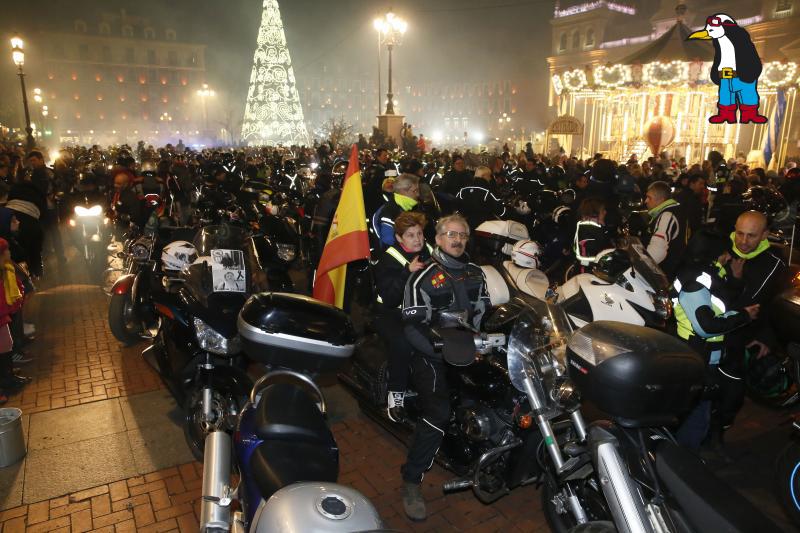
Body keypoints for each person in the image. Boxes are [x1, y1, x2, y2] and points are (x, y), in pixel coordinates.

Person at [399, 214, 490, 521]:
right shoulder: (422, 277)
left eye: (463, 235)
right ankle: (411, 480)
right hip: (432, 357)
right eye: (451, 234)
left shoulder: (476, 274)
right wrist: (442, 353)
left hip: (470, 352)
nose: (457, 239)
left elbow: (483, 315)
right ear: (437, 239)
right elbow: (413, 328)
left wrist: (484, 343)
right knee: (437, 414)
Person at [709, 210, 787, 457]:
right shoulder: (720, 249)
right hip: (706, 334)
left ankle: (716, 437)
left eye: (751, 236)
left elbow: (760, 304)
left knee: (731, 395)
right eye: (739, 233)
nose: (743, 241)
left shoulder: (773, 263)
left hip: (740, 339)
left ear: (765, 235)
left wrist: (767, 337)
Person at [671, 232, 758, 450]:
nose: (728, 257)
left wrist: (736, 280)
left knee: (699, 410)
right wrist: (744, 316)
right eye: (725, 253)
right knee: (693, 414)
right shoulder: (694, 282)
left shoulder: (707, 273)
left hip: (706, 356)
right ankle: (680, 461)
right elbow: (706, 326)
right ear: (712, 254)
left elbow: (721, 299)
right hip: (697, 356)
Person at [373, 212, 432, 422]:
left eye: (420, 233)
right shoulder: (389, 259)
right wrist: (407, 272)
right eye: (410, 235)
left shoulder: (430, 251)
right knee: (403, 343)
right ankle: (395, 395)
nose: (417, 239)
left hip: (422, 310)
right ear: (399, 238)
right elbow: (389, 298)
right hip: (391, 314)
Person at [0, 238, 30, 403]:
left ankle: (9, 377)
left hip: (3, 316)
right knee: (3, 349)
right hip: (2, 315)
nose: (9, 253)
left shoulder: (6, 269)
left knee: (6, 347)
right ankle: (6, 381)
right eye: (6, 251)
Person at [644, 181, 688, 279]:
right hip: (677, 269)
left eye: (649, 197)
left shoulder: (667, 216)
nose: (645, 201)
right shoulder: (676, 210)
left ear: (660, 200)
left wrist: (641, 266)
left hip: (666, 273)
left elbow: (656, 252)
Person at [372, 174, 421, 250]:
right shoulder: (389, 212)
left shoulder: (410, 207)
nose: (418, 194)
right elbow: (388, 244)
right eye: (415, 190)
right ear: (403, 191)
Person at [456, 166, 506, 230]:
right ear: (484, 176)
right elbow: (500, 210)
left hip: (466, 226)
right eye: (489, 176)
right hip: (484, 227)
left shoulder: (463, 189)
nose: (490, 178)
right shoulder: (487, 191)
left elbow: (456, 204)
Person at [573, 197, 612, 272]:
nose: (605, 212)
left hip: (595, 270)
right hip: (587, 273)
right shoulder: (587, 231)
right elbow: (585, 259)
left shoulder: (591, 228)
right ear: (594, 214)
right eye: (602, 210)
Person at [364, 149, 391, 216]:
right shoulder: (380, 169)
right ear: (378, 157)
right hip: (377, 201)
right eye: (384, 155)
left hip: (368, 201)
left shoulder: (370, 167)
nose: (386, 157)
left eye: (387, 155)